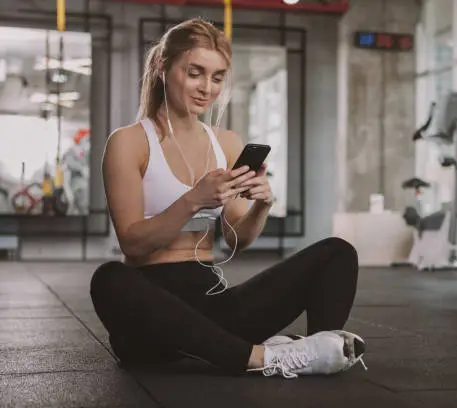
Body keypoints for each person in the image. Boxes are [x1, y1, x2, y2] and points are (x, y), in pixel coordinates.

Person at [90, 18, 366, 379]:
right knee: (108, 279)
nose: (207, 88)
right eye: (195, 73)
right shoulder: (129, 142)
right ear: (162, 67)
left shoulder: (226, 143)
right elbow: (133, 242)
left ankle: (318, 350)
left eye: (217, 77)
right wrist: (194, 199)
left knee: (337, 253)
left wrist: (263, 205)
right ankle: (263, 358)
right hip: (152, 320)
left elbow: (238, 238)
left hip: (216, 310)